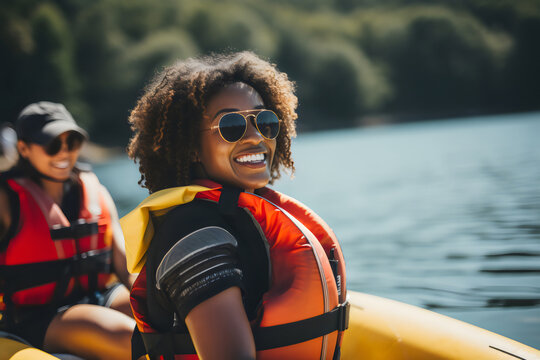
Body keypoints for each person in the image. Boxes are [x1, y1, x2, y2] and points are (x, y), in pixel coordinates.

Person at [121, 51, 349, 360]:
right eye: (230, 126)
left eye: (264, 121)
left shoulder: (238, 216)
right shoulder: (193, 233)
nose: (256, 137)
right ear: (191, 149)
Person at [0, 102, 135, 360]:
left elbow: (124, 266)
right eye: (52, 144)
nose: (64, 153)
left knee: (166, 318)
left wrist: (150, 298)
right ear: (23, 149)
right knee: (131, 338)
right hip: (38, 315)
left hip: (98, 295)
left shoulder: (93, 188)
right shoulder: (6, 199)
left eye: (71, 142)